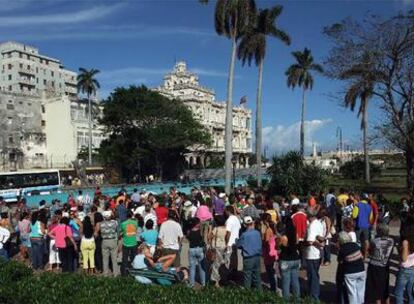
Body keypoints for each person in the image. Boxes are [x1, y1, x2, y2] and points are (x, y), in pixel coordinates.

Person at [365, 224, 394, 304]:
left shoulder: (375, 241)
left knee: (375, 287)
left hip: (375, 265)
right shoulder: (391, 240)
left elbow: (370, 252)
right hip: (385, 265)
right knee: (385, 286)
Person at [337, 231, 365, 304]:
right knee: (360, 291)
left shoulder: (342, 249)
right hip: (361, 270)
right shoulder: (356, 245)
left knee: (352, 293)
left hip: (350, 272)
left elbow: (340, 261)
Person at [237, 216, 262, 290]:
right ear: (252, 223)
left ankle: (248, 294)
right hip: (257, 257)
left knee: (247, 277)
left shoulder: (244, 235)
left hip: (248, 258)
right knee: (257, 277)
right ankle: (259, 294)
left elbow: (239, 245)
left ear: (244, 225)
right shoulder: (257, 233)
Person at [304, 208, 324, 300]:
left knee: (313, 276)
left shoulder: (312, 225)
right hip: (318, 254)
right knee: (315, 275)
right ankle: (313, 294)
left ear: (309, 215)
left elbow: (310, 241)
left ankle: (314, 297)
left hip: (312, 254)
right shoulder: (319, 223)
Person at [279, 217, 301, 300]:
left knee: (285, 283)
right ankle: (297, 299)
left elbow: (279, 247)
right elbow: (297, 244)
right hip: (295, 258)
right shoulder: (296, 234)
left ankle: (286, 300)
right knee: (295, 281)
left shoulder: (284, 237)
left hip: (286, 260)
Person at [395, 220, 414, 304]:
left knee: (398, 293)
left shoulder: (405, 242)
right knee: (410, 293)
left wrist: (400, 250)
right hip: (413, 268)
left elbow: (404, 259)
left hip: (404, 270)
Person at [95, 210, 119, 276]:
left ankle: (105, 273)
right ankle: (115, 273)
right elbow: (117, 231)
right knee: (114, 258)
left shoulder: (100, 223)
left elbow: (96, 233)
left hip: (104, 241)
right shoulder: (115, 223)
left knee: (105, 258)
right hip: (113, 240)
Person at [208, 215, 228, 287]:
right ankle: (223, 279)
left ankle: (216, 281)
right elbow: (227, 237)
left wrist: (210, 228)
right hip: (223, 246)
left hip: (216, 247)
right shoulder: (226, 229)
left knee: (216, 265)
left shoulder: (215, 229)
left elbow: (209, 237)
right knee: (222, 264)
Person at [187, 217, 206, 287]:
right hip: (200, 249)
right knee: (201, 267)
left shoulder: (189, 232)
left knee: (192, 267)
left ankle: (192, 283)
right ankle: (203, 283)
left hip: (191, 249)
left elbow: (188, 239)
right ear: (197, 224)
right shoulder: (201, 231)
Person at [353, 193, 373, 258]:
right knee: (366, 240)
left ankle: (356, 254)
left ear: (361, 198)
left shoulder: (357, 205)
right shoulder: (369, 206)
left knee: (356, 240)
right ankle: (365, 254)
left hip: (358, 225)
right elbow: (370, 218)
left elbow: (354, 215)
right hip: (366, 226)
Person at [261, 213, 277, 292]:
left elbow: (266, 242)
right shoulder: (273, 227)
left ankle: (273, 288)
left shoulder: (268, 230)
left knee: (270, 271)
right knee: (273, 271)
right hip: (273, 252)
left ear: (264, 221)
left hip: (268, 253)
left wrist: (262, 240)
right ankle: (274, 286)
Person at [120, 210, 138, 276]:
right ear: (132, 215)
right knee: (133, 259)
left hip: (126, 243)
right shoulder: (135, 223)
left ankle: (124, 274)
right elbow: (135, 230)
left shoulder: (123, 223)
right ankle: (134, 273)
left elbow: (120, 232)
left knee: (125, 259)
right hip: (134, 243)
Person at [224, 205, 241, 277]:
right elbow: (239, 227)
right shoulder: (236, 219)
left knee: (228, 260)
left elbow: (228, 232)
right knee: (235, 259)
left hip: (230, 243)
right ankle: (235, 274)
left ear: (228, 211)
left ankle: (228, 276)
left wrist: (226, 242)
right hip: (236, 242)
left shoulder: (229, 220)